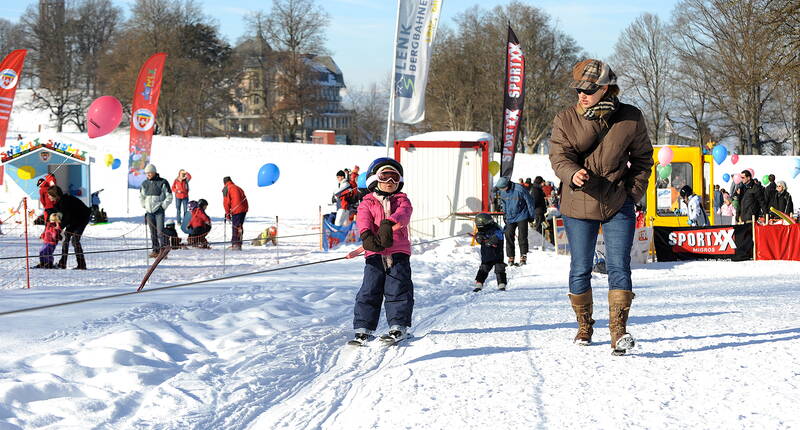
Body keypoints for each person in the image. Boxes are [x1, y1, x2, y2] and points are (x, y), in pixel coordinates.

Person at [548, 59, 653, 355]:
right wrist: (571, 173)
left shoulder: (630, 117)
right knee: (581, 267)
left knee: (619, 266)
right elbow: (559, 156)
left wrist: (632, 193)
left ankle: (618, 331)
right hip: (578, 203)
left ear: (606, 88)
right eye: (579, 89)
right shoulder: (565, 118)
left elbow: (644, 158)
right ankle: (584, 324)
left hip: (618, 201)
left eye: (590, 89)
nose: (582, 94)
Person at [349, 158, 414, 346]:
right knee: (370, 289)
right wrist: (366, 234)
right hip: (374, 253)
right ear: (374, 179)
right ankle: (363, 329)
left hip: (398, 252)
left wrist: (389, 223)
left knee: (398, 288)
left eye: (394, 178)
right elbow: (363, 218)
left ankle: (398, 326)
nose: (390, 182)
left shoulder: (402, 200)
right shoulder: (367, 202)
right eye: (385, 177)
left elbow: (404, 214)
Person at [495, 176, 537, 266]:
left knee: (522, 236)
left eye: (503, 188)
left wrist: (531, 215)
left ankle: (523, 255)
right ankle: (511, 257)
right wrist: (505, 215)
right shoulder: (502, 191)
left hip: (522, 215)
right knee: (508, 234)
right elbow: (504, 204)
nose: (502, 190)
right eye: (501, 189)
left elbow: (530, 202)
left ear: (507, 185)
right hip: (510, 217)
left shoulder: (520, 189)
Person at [48, 186, 91, 269]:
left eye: (49, 195)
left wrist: (59, 227)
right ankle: (62, 263)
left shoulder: (65, 202)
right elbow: (58, 213)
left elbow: (66, 217)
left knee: (75, 240)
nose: (48, 197)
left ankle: (82, 265)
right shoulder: (58, 202)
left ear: (55, 195)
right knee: (65, 238)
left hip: (82, 218)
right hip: (73, 219)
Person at [140, 164, 173, 257]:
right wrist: (144, 205)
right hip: (149, 212)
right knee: (152, 232)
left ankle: (163, 251)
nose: (148, 175)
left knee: (160, 232)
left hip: (159, 211)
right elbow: (141, 197)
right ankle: (155, 250)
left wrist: (162, 206)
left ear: (154, 172)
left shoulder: (163, 182)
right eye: (147, 173)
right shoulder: (144, 184)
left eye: (150, 172)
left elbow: (169, 196)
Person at [472, 213, 507, 292]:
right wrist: (479, 238)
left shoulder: (496, 228)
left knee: (499, 268)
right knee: (484, 268)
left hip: (497, 253)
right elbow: (479, 236)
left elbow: (499, 235)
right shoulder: (481, 230)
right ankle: (479, 284)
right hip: (487, 254)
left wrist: (492, 240)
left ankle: (502, 284)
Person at [222, 176, 248, 250]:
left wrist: (227, 214)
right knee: (239, 226)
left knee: (235, 226)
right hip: (244, 208)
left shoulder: (226, 188)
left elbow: (226, 202)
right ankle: (239, 243)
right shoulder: (237, 187)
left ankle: (235, 244)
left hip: (236, 209)